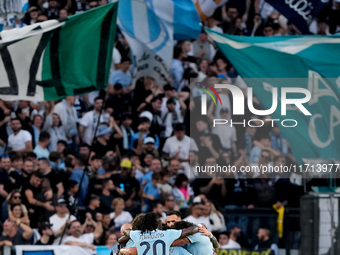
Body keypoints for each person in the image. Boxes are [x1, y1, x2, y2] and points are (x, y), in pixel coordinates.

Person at [121, 212, 199, 255]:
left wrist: (131, 232)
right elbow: (190, 231)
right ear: (157, 223)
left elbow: (125, 231)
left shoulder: (137, 235)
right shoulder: (167, 234)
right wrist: (199, 226)